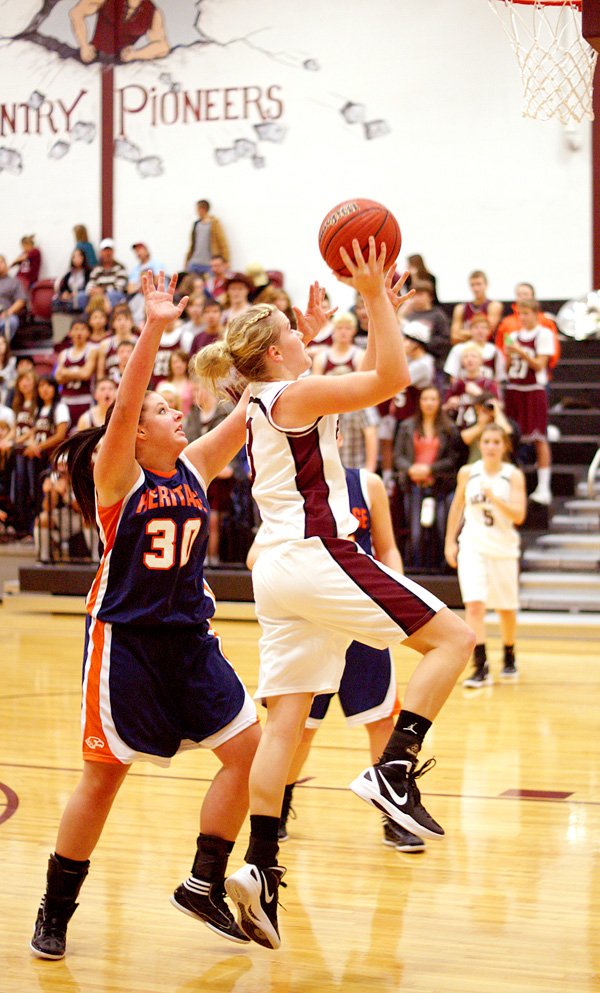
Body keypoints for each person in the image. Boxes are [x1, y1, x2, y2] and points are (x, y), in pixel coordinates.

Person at [194, 240, 475, 950]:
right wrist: (374, 292)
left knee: (285, 722)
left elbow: (299, 366)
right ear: (279, 351)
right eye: (294, 330)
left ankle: (258, 863)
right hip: (319, 555)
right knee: (456, 638)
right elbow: (391, 376)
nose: (302, 330)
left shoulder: (260, 394)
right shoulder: (295, 393)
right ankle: (394, 768)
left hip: (277, 573)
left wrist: (320, 330)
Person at [30, 271, 261, 961]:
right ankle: (55, 906)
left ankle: (203, 881)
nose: (175, 412)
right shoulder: (117, 478)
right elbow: (125, 404)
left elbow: (253, 409)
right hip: (125, 643)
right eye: (163, 410)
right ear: (136, 434)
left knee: (247, 754)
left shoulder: (191, 468)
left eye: (172, 405)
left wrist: (293, 346)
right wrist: (155, 329)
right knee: (103, 778)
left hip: (190, 641)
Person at [248, 464, 426, 854]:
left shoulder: (368, 483)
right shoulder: (290, 484)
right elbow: (253, 556)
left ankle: (393, 816)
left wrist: (397, 601)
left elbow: (388, 547)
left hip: (360, 619)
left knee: (381, 720)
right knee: (300, 729)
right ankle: (277, 810)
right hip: (313, 624)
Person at [444, 423, 527, 686]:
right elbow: (456, 508)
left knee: (505, 609)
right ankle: (480, 666)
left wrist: (495, 499)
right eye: (487, 441)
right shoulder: (468, 473)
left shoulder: (513, 476)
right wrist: (450, 542)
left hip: (503, 547)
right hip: (473, 544)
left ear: (504, 446)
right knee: (475, 605)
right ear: (480, 445)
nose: (491, 446)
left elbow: (519, 515)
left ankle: (509, 653)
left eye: (496, 442)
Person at [394, 386, 462, 571]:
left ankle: (442, 569)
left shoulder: (449, 428)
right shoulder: (407, 426)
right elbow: (398, 456)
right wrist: (411, 470)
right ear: (419, 402)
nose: (429, 403)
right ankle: (416, 570)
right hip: (413, 485)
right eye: (425, 399)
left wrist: (430, 469)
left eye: (433, 399)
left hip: (440, 486)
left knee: (442, 527)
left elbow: (453, 459)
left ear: (439, 402)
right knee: (415, 531)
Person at [503, 299, 555, 505]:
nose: (522, 318)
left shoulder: (544, 334)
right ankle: (511, 485)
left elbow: (540, 365)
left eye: (526, 314)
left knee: (539, 437)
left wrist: (520, 352)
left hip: (534, 390)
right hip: (515, 389)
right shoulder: (513, 336)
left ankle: (544, 487)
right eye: (520, 314)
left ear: (536, 314)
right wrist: (510, 355)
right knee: (513, 438)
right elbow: (507, 368)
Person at [54, 319, 98, 428]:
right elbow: (58, 377)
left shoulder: (92, 350)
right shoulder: (64, 353)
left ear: (88, 333)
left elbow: (86, 374)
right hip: (66, 401)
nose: (79, 332)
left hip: (85, 400)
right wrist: (78, 371)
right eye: (76, 329)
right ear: (70, 333)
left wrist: (66, 373)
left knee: (84, 437)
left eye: (83, 329)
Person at [451, 270, 503, 344]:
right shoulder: (461, 308)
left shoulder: (493, 306)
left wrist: (463, 333)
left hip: (487, 348)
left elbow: (488, 332)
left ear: (486, 285)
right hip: (466, 350)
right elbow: (454, 337)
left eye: (478, 284)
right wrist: (479, 332)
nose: (475, 289)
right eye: (472, 285)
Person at [185, 200, 230, 274]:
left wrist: (225, 260)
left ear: (203, 209)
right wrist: (187, 261)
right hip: (195, 262)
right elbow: (193, 245)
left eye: (197, 209)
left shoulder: (214, 224)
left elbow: (222, 243)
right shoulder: (196, 224)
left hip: (209, 263)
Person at [85, 239, 128, 308]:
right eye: (105, 250)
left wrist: (103, 291)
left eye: (109, 250)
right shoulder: (96, 269)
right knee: (82, 296)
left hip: (114, 296)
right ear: (101, 252)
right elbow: (90, 284)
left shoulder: (120, 268)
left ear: (113, 252)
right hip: (98, 295)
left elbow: (119, 287)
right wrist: (91, 291)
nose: (107, 253)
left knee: (112, 295)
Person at [53, 248, 91, 313]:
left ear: (83, 258)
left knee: (78, 298)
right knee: (55, 300)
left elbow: (88, 286)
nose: (76, 259)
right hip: (70, 295)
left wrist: (76, 293)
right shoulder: (69, 272)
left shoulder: (88, 272)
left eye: (78, 256)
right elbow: (64, 286)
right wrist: (65, 293)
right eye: (74, 257)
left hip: (81, 295)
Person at [0, 254, 27, 340]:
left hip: (6, 314)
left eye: (1, 262)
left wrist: (8, 312)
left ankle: (3, 349)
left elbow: (21, 301)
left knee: (11, 322)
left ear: (5, 264)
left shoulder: (14, 282)